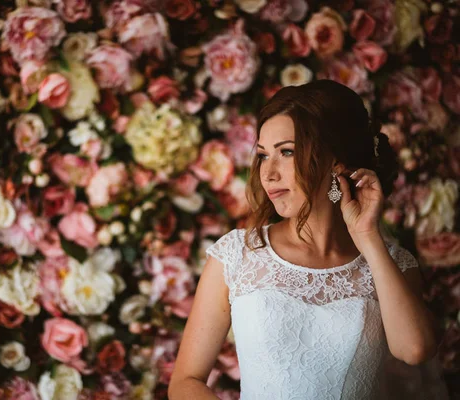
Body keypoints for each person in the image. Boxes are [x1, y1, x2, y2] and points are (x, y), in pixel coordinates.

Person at [167, 80, 439, 399]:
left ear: (335, 160)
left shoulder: (393, 264)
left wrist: (367, 236)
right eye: (263, 155)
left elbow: (415, 350)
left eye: (286, 152)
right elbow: (185, 381)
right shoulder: (236, 255)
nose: (268, 173)